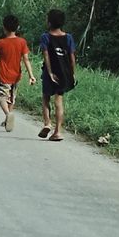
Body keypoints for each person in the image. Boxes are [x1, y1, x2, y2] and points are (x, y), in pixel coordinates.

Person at [0, 14, 35, 132]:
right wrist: (31, 75)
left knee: (2, 98)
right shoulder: (22, 42)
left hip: (4, 75)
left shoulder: (0, 42)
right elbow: (26, 59)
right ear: (17, 27)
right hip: (16, 75)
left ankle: (8, 114)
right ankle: (8, 116)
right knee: (11, 98)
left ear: (4, 27)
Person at [39, 8, 77, 141]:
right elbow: (72, 57)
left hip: (50, 73)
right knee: (59, 101)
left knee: (45, 98)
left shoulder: (45, 37)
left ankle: (47, 123)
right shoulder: (69, 38)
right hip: (63, 73)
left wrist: (49, 72)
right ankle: (58, 132)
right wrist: (72, 74)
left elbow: (46, 55)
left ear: (49, 22)